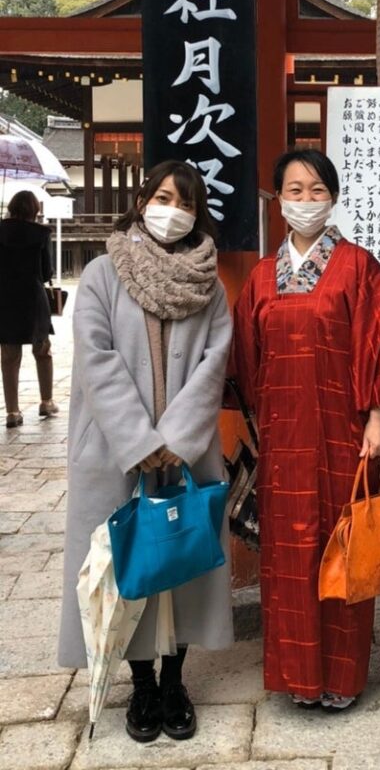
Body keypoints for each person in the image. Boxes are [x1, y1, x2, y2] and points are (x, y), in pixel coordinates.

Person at [232, 148, 380, 711]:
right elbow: (246, 362)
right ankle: (297, 677)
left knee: (345, 549)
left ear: (334, 197)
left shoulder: (358, 267)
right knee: (287, 556)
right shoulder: (262, 277)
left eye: (317, 190)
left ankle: (341, 678)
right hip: (283, 437)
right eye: (294, 190)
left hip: (346, 433)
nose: (306, 201)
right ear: (278, 200)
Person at [58, 160, 233, 743]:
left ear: (197, 212)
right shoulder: (105, 274)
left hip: (186, 451)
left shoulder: (211, 284)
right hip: (115, 448)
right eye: (162, 196)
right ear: (141, 201)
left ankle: (177, 681)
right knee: (127, 565)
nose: (172, 210)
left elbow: (214, 364)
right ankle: (142, 686)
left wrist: (176, 442)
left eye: (184, 201)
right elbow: (97, 358)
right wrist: (141, 441)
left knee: (181, 561)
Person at [0, 190, 58, 429]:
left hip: (4, 296)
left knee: (9, 357)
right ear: (34, 210)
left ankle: (12, 411)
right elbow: (47, 272)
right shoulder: (41, 234)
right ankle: (46, 401)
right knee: (42, 349)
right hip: (33, 297)